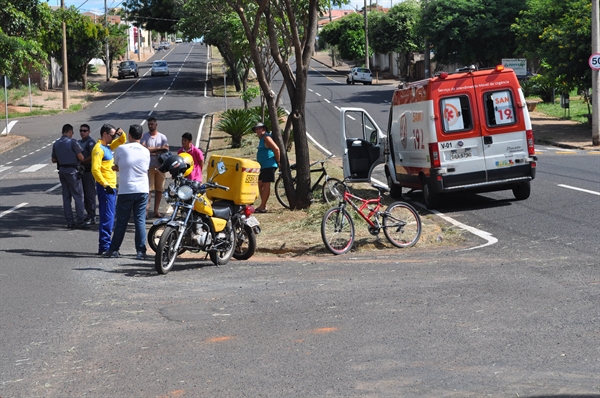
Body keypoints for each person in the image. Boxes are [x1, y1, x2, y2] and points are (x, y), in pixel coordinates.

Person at [103, 124, 151, 259]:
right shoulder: (145, 151)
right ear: (141, 136)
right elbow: (144, 167)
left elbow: (116, 165)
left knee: (121, 221)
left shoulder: (121, 149)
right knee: (140, 221)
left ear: (129, 135)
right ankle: (141, 251)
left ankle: (114, 250)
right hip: (142, 189)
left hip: (126, 190)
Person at [91, 123, 127, 255]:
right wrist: (105, 185)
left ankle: (107, 245)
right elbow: (95, 170)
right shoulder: (98, 149)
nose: (113, 137)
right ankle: (105, 247)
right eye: (111, 135)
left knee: (110, 217)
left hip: (111, 186)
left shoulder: (107, 146)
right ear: (104, 134)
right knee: (107, 217)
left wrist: (120, 133)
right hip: (106, 188)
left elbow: (122, 141)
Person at [51, 123, 88, 229]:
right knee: (78, 196)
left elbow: (53, 159)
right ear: (70, 132)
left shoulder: (56, 143)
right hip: (72, 170)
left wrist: (62, 157)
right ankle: (80, 220)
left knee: (66, 197)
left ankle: (70, 221)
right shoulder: (73, 142)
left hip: (62, 170)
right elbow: (81, 157)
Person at [140, 117, 169, 218]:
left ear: (156, 124)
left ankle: (156, 211)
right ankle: (146, 211)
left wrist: (151, 151)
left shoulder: (162, 137)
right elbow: (144, 149)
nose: (150, 126)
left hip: (161, 167)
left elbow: (166, 150)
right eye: (149, 124)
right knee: (148, 190)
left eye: (152, 124)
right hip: (149, 167)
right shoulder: (144, 137)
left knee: (159, 190)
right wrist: (159, 149)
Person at [253, 122, 280, 213]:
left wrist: (278, 161)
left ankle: (263, 206)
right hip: (263, 165)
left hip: (269, 164)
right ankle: (263, 204)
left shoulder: (267, 137)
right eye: (257, 129)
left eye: (260, 128)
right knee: (260, 183)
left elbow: (276, 149)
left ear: (264, 129)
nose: (258, 131)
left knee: (266, 184)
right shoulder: (262, 139)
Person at [78, 123, 97, 224]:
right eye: (81, 130)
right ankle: (87, 214)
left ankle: (92, 215)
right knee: (83, 195)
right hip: (81, 171)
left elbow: (92, 156)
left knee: (90, 194)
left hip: (88, 171)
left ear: (89, 132)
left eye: (84, 131)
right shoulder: (78, 142)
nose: (82, 132)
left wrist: (83, 161)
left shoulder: (91, 142)